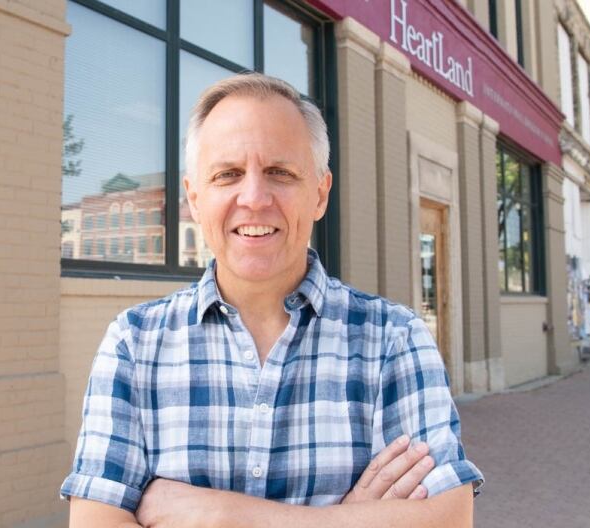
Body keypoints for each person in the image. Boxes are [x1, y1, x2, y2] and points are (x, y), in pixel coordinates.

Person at [61, 73, 483, 527]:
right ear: (195, 198)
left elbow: (448, 518)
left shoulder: (393, 340)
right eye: (228, 174)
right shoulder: (134, 344)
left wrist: (221, 514)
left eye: (280, 173)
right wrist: (348, 518)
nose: (255, 197)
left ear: (320, 193)